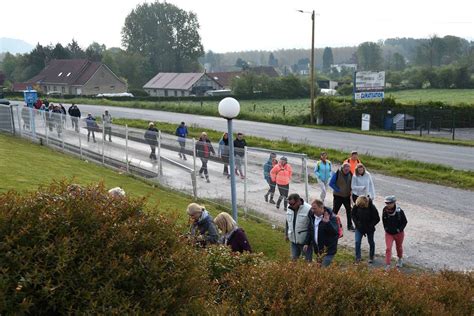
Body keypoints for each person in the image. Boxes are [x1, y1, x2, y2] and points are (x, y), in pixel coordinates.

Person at [306, 199, 339, 267]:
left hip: (328, 250)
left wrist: (328, 223)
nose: (313, 210)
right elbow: (310, 231)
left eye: (314, 208)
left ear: (321, 208)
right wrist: (307, 243)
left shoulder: (332, 217)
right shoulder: (312, 217)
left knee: (323, 270)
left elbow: (335, 232)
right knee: (319, 270)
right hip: (318, 250)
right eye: (312, 208)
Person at [352, 195, 380, 264]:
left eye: (362, 206)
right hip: (359, 228)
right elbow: (353, 215)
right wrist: (357, 224)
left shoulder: (372, 207)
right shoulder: (356, 206)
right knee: (357, 242)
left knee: (371, 242)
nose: (361, 207)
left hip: (369, 228)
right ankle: (358, 258)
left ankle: (371, 257)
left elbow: (377, 218)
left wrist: (370, 225)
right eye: (360, 206)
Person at [382, 195, 408, 270]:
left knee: (399, 247)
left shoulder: (399, 211)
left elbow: (405, 222)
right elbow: (384, 221)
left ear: (394, 203)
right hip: (389, 234)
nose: (388, 205)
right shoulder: (384, 210)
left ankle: (399, 259)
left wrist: (399, 230)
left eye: (389, 203)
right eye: (386, 203)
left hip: (399, 234)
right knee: (388, 248)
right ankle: (387, 265)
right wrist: (386, 229)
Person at [285, 193, 312, 261]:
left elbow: (311, 227)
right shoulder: (289, 207)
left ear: (298, 201)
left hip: (305, 242)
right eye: (289, 203)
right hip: (293, 241)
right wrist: (286, 234)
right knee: (293, 260)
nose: (290, 206)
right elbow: (287, 221)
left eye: (292, 204)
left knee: (307, 262)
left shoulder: (308, 209)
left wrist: (307, 242)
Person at [329, 162, 354, 231]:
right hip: (338, 196)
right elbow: (331, 183)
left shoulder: (350, 174)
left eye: (348, 168)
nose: (347, 169)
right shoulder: (337, 173)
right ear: (342, 168)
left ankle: (350, 226)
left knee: (349, 211)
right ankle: (330, 224)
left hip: (347, 196)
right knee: (335, 211)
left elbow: (352, 183)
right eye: (345, 168)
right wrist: (338, 190)